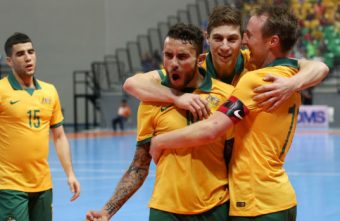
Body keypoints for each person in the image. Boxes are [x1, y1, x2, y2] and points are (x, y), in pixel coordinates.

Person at [150, 6, 310, 221]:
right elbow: (134, 83)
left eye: (249, 36)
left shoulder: (255, 80)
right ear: (208, 38)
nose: (245, 42)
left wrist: (160, 141)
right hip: (281, 197)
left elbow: (211, 129)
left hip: (255, 202)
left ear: (271, 41)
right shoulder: (291, 76)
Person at [87, 23, 234, 221]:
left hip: (215, 208)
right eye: (168, 55)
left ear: (200, 59)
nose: (173, 63)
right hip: (165, 210)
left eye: (182, 57)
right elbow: (139, 167)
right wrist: (107, 211)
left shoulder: (225, 95)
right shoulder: (151, 101)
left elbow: (232, 158)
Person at [123, 5, 329, 120]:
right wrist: (177, 98)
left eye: (232, 39)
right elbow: (132, 84)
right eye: (218, 38)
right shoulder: (194, 69)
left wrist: (292, 84)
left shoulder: (254, 63)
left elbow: (319, 67)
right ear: (207, 38)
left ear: (242, 40)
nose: (224, 46)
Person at [0, 33, 80, 221]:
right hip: (9, 185)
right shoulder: (2, 90)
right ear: (9, 61)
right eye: (20, 54)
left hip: (43, 185)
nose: (28, 57)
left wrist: (70, 174)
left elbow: (59, 137)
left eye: (31, 51)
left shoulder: (49, 91)